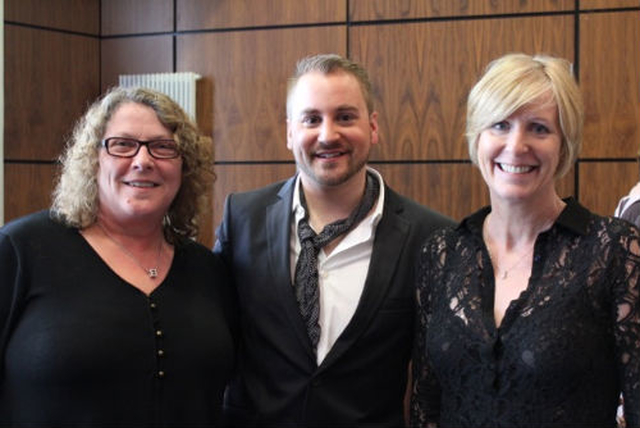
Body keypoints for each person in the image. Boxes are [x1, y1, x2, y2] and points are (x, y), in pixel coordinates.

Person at [214, 53, 453, 427]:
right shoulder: (242, 219)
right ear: (290, 131)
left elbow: (437, 379)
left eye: (345, 117)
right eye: (312, 119)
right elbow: (211, 345)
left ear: (373, 127)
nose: (328, 135)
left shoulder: (431, 237)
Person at [410, 52, 640, 428]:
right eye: (500, 125)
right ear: (477, 137)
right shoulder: (442, 253)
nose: (516, 146)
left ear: (564, 144)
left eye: (538, 128)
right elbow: (426, 403)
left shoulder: (613, 250)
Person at [0, 87, 236, 426]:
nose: (143, 161)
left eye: (163, 147)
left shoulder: (208, 269)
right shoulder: (20, 250)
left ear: (185, 168)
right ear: (93, 159)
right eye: (122, 144)